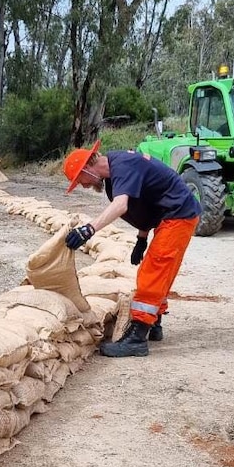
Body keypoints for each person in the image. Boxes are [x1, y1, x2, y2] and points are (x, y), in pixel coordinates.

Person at [62, 140, 201, 358]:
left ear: (87, 168)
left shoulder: (122, 166)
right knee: (158, 270)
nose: (84, 186)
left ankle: (137, 338)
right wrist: (142, 238)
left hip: (178, 214)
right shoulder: (116, 174)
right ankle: (154, 325)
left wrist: (89, 230)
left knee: (154, 271)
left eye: (80, 181)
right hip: (170, 215)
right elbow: (144, 206)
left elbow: (121, 206)